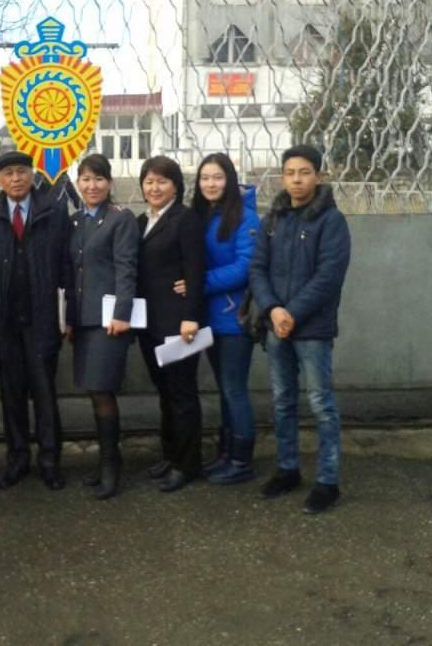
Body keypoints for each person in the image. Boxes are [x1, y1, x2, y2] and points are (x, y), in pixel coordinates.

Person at [250, 144, 351, 515]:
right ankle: (287, 469)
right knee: (283, 401)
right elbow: (257, 269)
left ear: (318, 177)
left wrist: (291, 313)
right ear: (282, 177)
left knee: (321, 404)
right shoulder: (272, 220)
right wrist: (274, 310)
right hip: (278, 327)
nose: (297, 180)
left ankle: (328, 481)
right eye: (290, 173)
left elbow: (329, 276)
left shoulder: (331, 221)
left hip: (313, 330)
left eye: (305, 172)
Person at [0, 151, 70, 490]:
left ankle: (50, 459)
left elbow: (66, 265)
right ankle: (17, 457)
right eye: (8, 174)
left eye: (21, 172)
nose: (15, 179)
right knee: (11, 393)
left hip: (42, 317)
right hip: (3, 321)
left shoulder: (54, 211)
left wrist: (68, 315)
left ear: (32, 175)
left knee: (45, 393)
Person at [65, 153, 139, 500]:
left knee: (103, 390)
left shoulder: (120, 219)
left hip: (110, 321)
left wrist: (122, 313)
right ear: (77, 183)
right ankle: (109, 460)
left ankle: (111, 467)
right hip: (83, 319)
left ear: (109, 183)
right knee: (94, 391)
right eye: (85, 179)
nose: (91, 186)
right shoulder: (76, 221)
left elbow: (126, 268)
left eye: (98, 179)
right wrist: (68, 319)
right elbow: (71, 274)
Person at [135, 156, 205, 493]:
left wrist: (191, 316)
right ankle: (170, 454)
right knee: (164, 392)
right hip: (149, 323)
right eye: (149, 181)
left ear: (176, 186)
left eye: (162, 181)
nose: (155, 188)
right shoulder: (141, 221)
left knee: (182, 394)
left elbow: (195, 271)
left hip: (179, 324)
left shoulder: (185, 219)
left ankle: (187, 464)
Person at [190, 153, 260, 486]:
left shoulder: (245, 217)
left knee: (234, 389)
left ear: (229, 180)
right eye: (205, 178)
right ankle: (227, 453)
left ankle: (242, 460)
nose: (210, 184)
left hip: (234, 318)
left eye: (217, 177)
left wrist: (198, 283)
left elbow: (245, 267)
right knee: (225, 389)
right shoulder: (204, 215)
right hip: (209, 318)